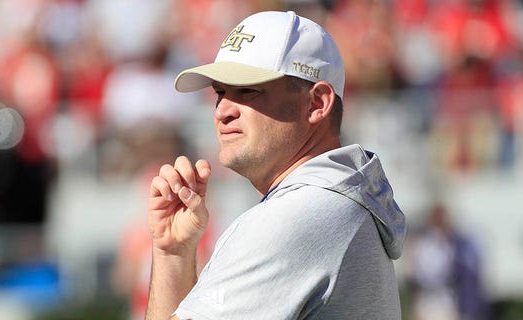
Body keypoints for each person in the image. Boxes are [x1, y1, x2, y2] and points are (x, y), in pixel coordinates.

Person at [146, 11, 406, 319]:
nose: (222, 111)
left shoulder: (297, 215)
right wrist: (174, 253)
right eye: (220, 92)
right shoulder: (332, 204)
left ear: (317, 103)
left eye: (247, 90)